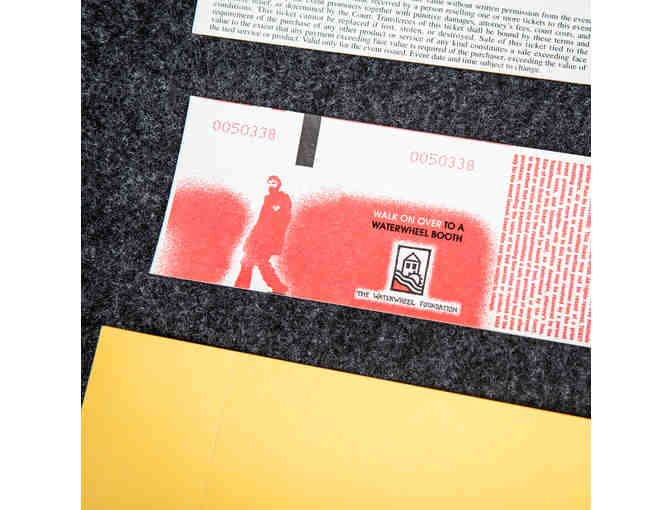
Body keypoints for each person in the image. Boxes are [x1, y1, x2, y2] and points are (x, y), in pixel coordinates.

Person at [234, 175, 291, 293]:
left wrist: (273, 236)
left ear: (279, 184)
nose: (271, 185)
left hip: (269, 238)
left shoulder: (283, 198)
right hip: (258, 235)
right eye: (269, 183)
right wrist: (253, 235)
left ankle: (278, 287)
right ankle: (242, 287)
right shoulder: (268, 198)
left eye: (274, 183)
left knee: (260, 261)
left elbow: (284, 219)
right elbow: (262, 220)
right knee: (248, 260)